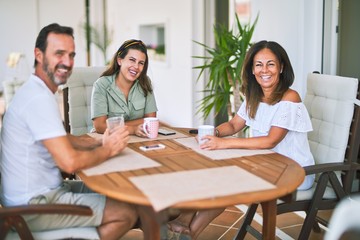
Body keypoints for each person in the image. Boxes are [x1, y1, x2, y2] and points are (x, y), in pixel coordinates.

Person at [0, 23, 139, 240]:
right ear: (38, 55)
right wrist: (109, 149)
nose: (67, 62)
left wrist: (97, 143)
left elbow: (62, 139)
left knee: (122, 192)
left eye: (71, 55)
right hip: (33, 205)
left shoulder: (35, 90)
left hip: (41, 193)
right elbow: (70, 163)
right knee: (126, 211)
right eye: (59, 54)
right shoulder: (38, 98)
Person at [167, 40, 315, 239]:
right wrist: (214, 134)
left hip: (294, 172)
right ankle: (185, 226)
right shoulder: (254, 95)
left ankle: (186, 231)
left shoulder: (290, 98)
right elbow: (234, 125)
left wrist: (224, 144)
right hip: (266, 164)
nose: (265, 70)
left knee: (226, 181)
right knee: (215, 171)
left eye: (271, 64)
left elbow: (271, 141)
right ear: (252, 70)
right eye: (259, 64)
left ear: (281, 67)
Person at [91, 39, 158, 137]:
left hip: (139, 139)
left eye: (141, 63)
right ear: (119, 60)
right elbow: (100, 126)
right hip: (107, 139)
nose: (136, 66)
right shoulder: (101, 85)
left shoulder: (145, 83)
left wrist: (113, 125)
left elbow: (151, 120)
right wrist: (132, 129)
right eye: (132, 60)